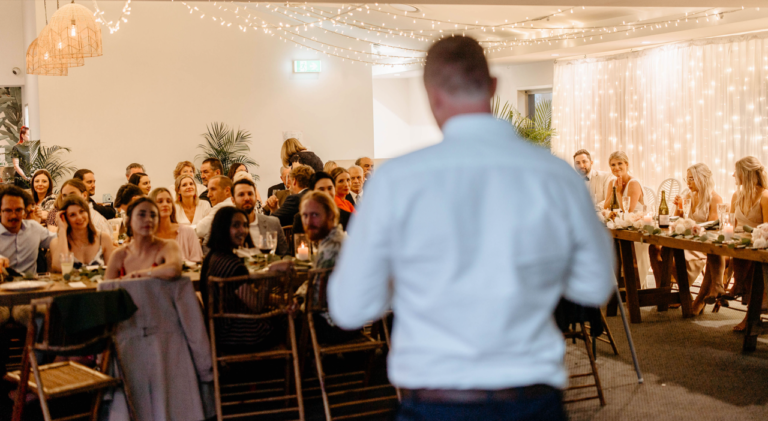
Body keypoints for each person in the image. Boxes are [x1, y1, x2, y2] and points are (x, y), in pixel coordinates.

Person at [327, 36, 614, 421]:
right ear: (492, 86)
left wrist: (403, 278)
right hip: (532, 395)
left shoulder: (395, 181)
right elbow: (595, 285)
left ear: (431, 94)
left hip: (435, 399)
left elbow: (349, 308)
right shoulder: (556, 176)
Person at [199, 207, 278, 348]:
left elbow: (247, 296)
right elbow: (256, 305)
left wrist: (281, 300)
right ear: (222, 228)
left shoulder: (212, 257)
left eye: (245, 225)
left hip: (216, 331)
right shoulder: (233, 266)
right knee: (291, 319)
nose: (243, 230)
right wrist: (271, 275)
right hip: (237, 334)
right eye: (236, 225)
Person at [671, 164, 725, 315]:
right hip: (687, 241)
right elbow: (677, 220)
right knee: (664, 254)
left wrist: (690, 227)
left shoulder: (715, 199)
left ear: (702, 179)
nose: (688, 183)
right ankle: (685, 295)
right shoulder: (688, 196)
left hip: (703, 244)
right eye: (687, 179)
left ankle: (698, 299)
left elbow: (711, 228)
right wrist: (678, 207)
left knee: (674, 261)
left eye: (691, 179)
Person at [727, 156, 768, 331]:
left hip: (758, 243)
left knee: (752, 263)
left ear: (746, 174)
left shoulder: (765, 196)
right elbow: (731, 224)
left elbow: (767, 229)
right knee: (723, 251)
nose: (733, 175)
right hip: (739, 244)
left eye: (736, 172)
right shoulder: (736, 195)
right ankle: (736, 285)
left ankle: (738, 286)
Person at [105, 197, 182, 280]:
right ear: (129, 221)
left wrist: (136, 275)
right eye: (141, 215)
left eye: (153, 215)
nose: (148, 219)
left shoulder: (167, 246)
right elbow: (107, 286)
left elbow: (173, 269)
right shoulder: (119, 255)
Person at [0, 186, 57, 274]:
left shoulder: (33, 228)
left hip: (31, 282)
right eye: (8, 210)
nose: (14, 215)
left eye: (18, 210)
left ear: (25, 211)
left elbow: (58, 240)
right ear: (0, 211)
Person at [50, 195, 114, 270]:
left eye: (82, 211)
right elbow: (59, 268)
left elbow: (112, 271)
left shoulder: (103, 238)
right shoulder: (56, 243)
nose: (79, 217)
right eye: (72, 215)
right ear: (65, 218)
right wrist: (62, 229)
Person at [232, 178, 288, 255]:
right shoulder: (226, 227)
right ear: (233, 200)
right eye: (241, 194)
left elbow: (285, 255)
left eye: (250, 194)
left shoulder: (273, 223)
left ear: (255, 197)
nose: (247, 198)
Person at [150, 188, 203, 263]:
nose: (165, 204)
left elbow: (198, 261)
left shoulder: (188, 232)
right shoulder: (146, 236)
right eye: (160, 202)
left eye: (168, 201)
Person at [46, 179, 112, 236]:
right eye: (64, 195)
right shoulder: (65, 216)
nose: (67, 199)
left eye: (72, 194)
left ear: (84, 195)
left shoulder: (93, 220)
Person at [195, 175, 234, 240]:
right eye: (208, 190)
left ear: (227, 190)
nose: (208, 195)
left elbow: (199, 230)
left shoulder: (221, 207)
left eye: (213, 189)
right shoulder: (235, 204)